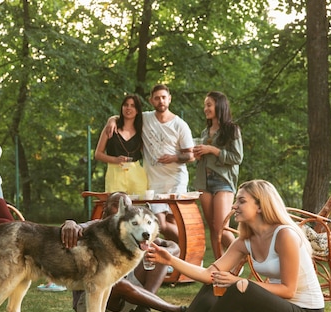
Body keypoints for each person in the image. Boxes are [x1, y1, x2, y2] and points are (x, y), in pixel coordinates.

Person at [141, 180, 324, 312]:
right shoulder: (245, 241)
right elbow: (207, 275)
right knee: (217, 279)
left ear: (260, 206)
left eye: (241, 201)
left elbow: (288, 290)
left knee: (241, 285)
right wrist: (169, 259)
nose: (234, 206)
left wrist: (236, 282)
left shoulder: (284, 235)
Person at [61, 192, 186, 312]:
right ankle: (177, 311)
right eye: (116, 205)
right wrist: (69, 223)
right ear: (105, 209)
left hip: (126, 298)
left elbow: (173, 246)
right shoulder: (96, 227)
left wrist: (166, 253)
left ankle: (142, 311)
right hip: (89, 302)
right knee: (114, 281)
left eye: (127, 206)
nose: (123, 209)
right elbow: (77, 227)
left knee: (158, 255)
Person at [104, 84, 194, 242]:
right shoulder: (145, 118)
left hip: (176, 179)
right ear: (151, 100)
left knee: (174, 222)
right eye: (157, 98)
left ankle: (183, 256)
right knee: (160, 225)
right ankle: (187, 249)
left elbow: (191, 156)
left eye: (164, 97)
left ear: (169, 99)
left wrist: (173, 158)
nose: (161, 101)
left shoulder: (180, 125)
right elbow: (127, 115)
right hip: (154, 180)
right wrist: (112, 120)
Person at [193, 91, 243, 259]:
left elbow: (237, 157)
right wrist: (198, 155)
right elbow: (203, 158)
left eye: (209, 105)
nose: (205, 108)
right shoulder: (205, 133)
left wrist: (213, 150)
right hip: (204, 182)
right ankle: (218, 266)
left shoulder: (231, 129)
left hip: (223, 181)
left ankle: (245, 256)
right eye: (205, 105)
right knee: (214, 228)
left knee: (222, 227)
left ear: (219, 106)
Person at [94, 94, 147, 196]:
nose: (128, 108)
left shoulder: (141, 129)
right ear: (122, 107)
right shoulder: (110, 128)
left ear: (137, 111)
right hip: (115, 172)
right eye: (126, 105)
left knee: (139, 206)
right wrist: (115, 160)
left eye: (133, 105)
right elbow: (98, 154)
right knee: (115, 207)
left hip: (136, 172)